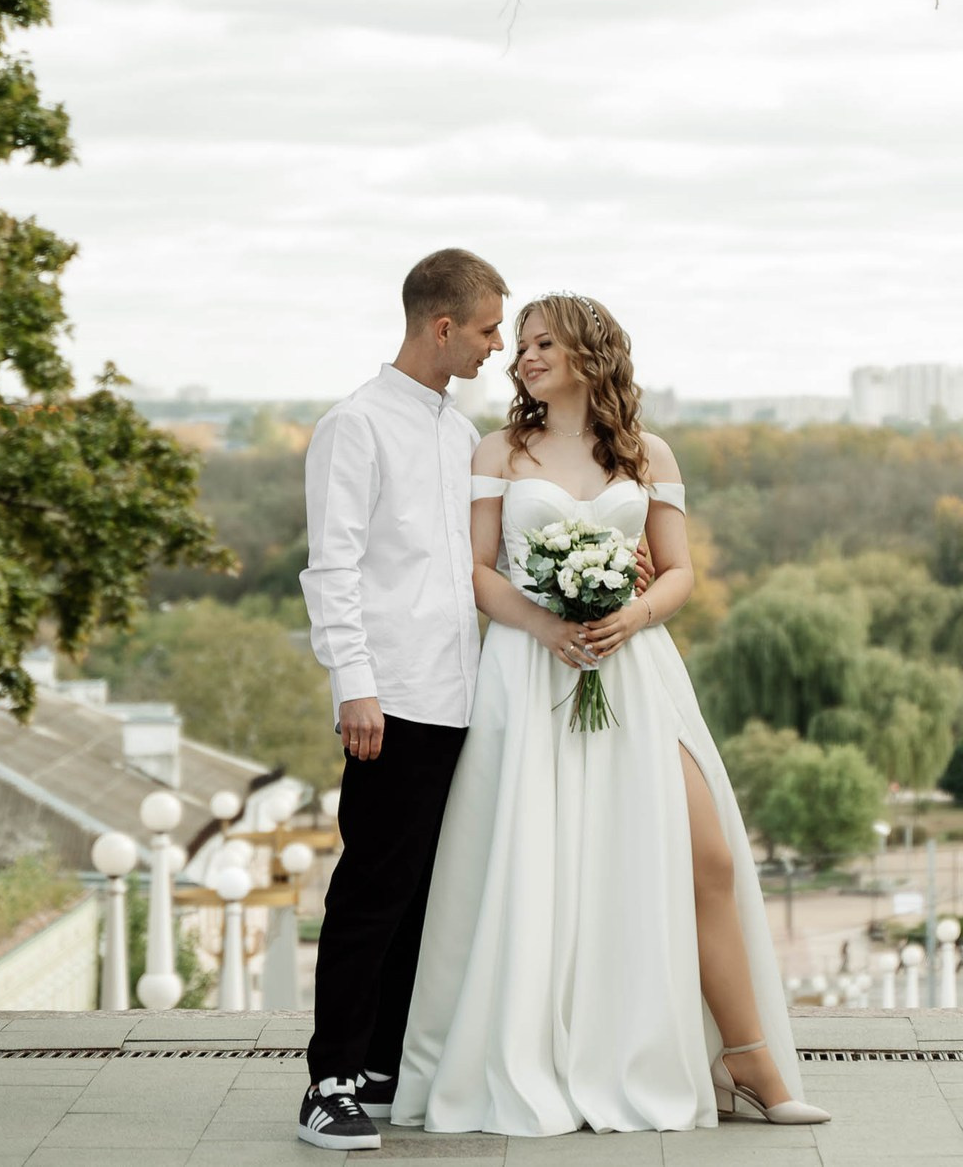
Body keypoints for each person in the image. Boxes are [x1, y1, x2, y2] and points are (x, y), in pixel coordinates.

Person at [392, 291, 827, 1136]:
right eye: (520, 344)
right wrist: (550, 627)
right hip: (532, 672)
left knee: (708, 858)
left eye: (543, 341)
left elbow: (678, 572)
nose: (524, 356)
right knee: (547, 869)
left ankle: (746, 1057)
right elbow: (478, 574)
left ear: (592, 351)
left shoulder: (647, 451)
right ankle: (558, 1050)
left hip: (638, 672)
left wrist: (634, 615)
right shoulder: (498, 450)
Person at [295, 249, 508, 1152]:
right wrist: (357, 687)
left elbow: (471, 568)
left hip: (462, 697)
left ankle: (381, 1064)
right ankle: (328, 1083)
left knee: (425, 893)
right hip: (393, 699)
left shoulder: (460, 435)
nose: (498, 347)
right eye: (491, 329)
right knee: (371, 894)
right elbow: (332, 568)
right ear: (443, 325)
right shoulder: (355, 426)